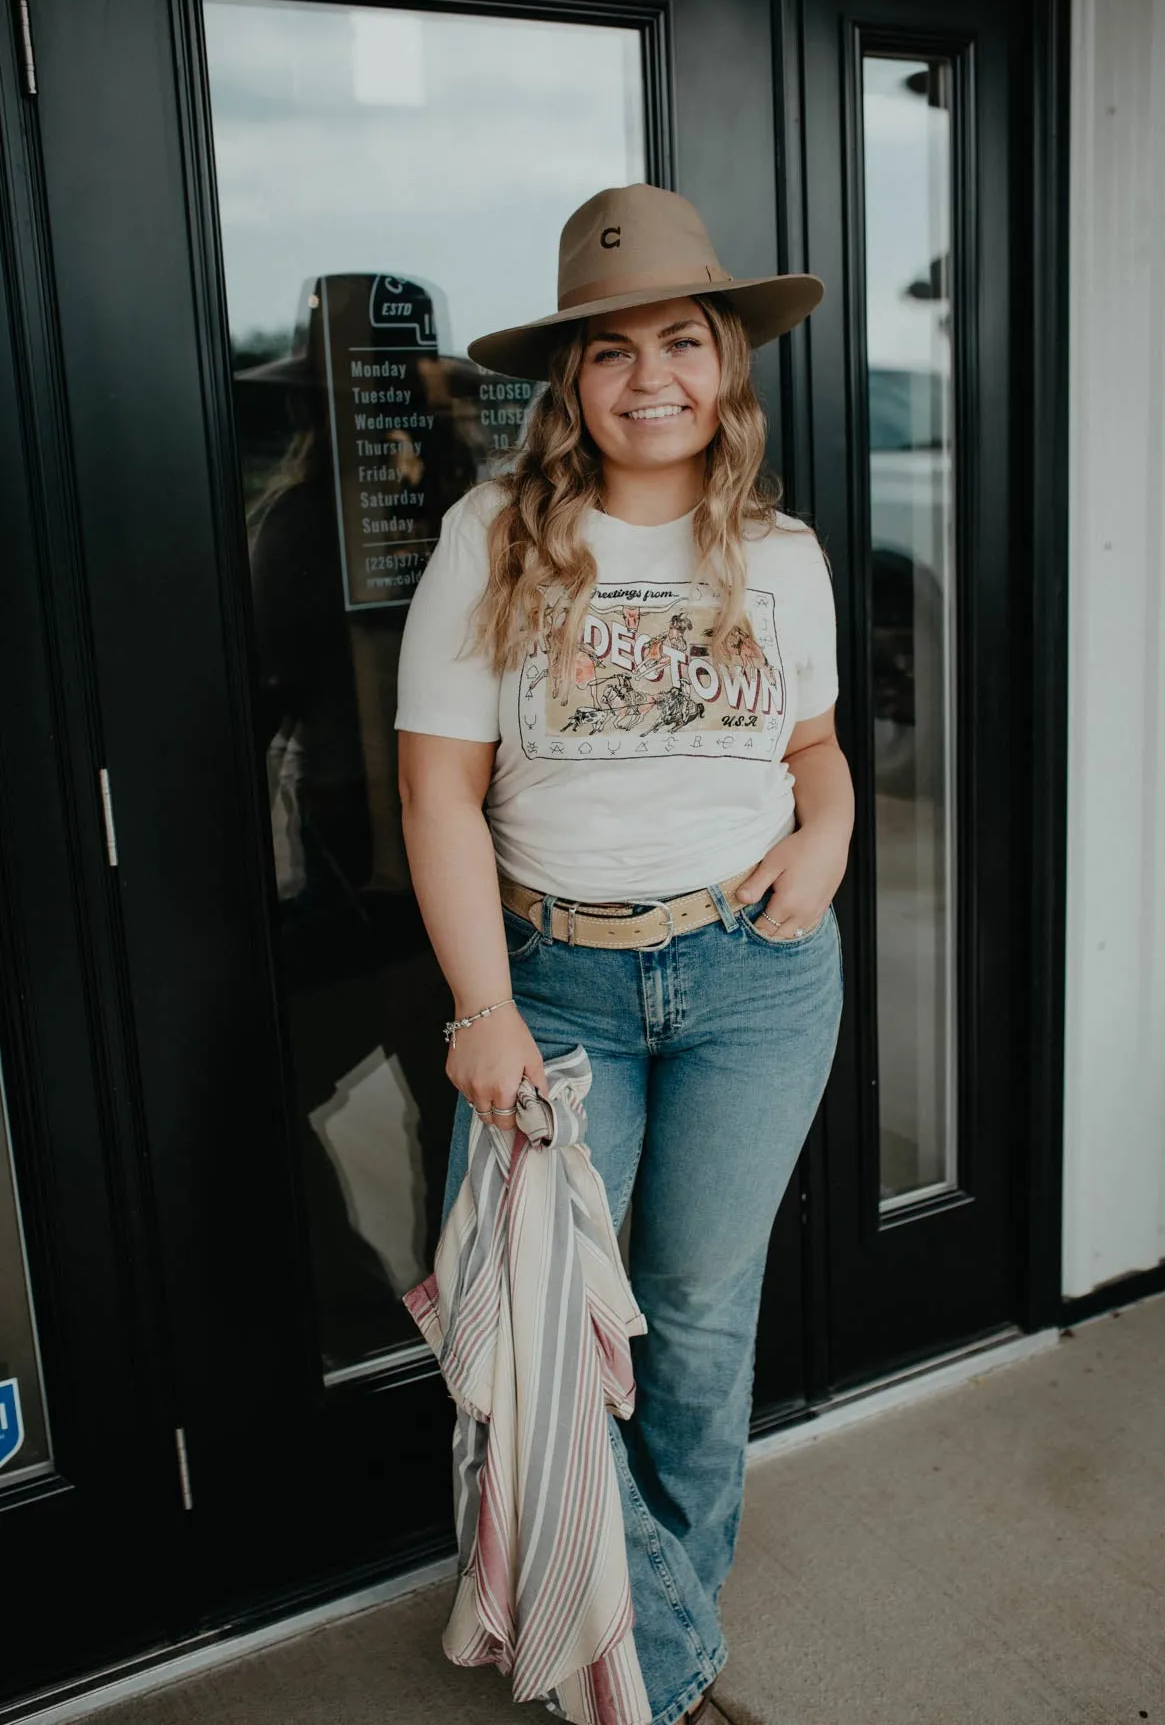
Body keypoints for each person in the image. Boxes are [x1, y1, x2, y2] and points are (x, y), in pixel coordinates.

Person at [395, 184, 854, 1725]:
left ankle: (651, 1644)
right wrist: (482, 1004)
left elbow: (816, 747)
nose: (650, 377)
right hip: (562, 982)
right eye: (612, 353)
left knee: (702, 1316)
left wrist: (830, 837)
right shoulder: (490, 537)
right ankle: (663, 1670)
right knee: (552, 1336)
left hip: (754, 971)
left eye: (683, 340)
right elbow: (437, 789)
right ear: (569, 386)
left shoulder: (781, 554)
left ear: (726, 364)